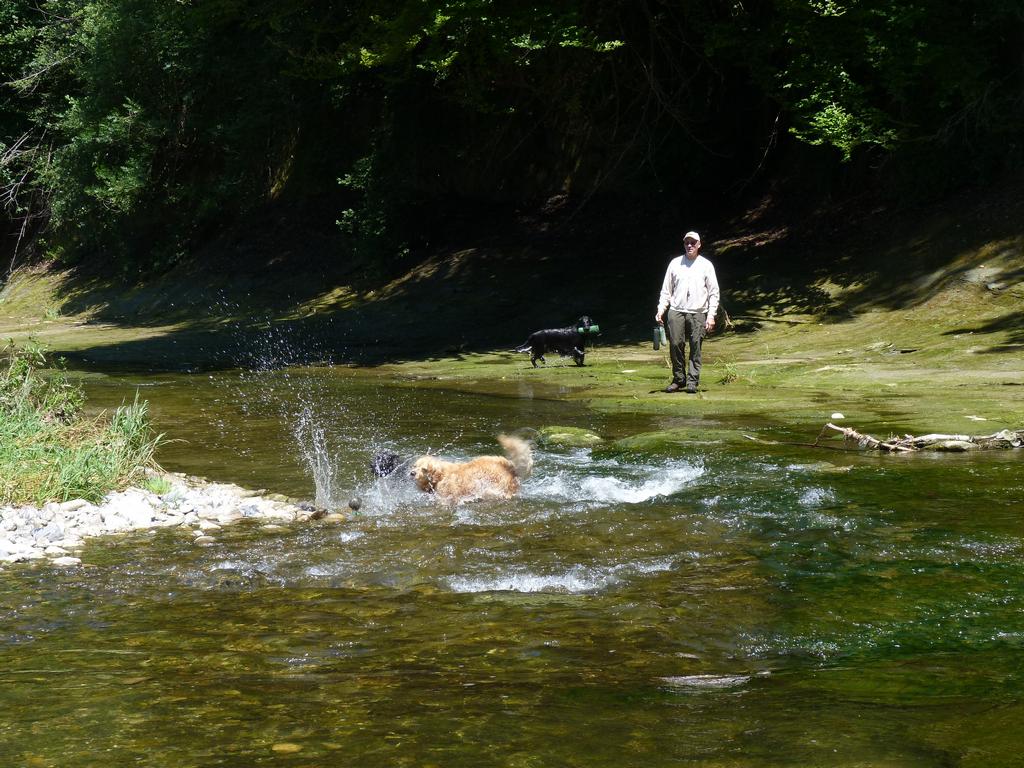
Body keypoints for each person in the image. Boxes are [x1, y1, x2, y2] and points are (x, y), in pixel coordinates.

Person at [654, 230, 720, 394]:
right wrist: (660, 310)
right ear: (684, 244)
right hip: (676, 310)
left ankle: (692, 381)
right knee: (676, 344)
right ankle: (678, 380)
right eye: (687, 242)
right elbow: (666, 291)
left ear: (699, 245)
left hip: (698, 312)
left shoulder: (706, 265)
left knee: (695, 346)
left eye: (693, 242)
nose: (689, 245)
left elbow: (714, 292)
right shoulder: (675, 263)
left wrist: (711, 316)